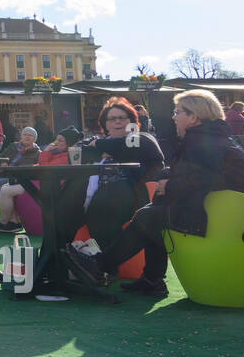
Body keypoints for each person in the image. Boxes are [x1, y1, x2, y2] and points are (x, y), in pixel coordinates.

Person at [68, 89, 244, 297]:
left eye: (177, 112)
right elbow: (202, 173)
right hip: (232, 209)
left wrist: (169, 185)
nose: (174, 117)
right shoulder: (210, 137)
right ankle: (152, 279)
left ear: (193, 117)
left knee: (150, 216)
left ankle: (101, 265)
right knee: (156, 208)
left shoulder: (203, 142)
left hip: (229, 217)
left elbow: (207, 178)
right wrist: (168, 179)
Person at [60, 97, 166, 248]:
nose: (117, 122)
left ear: (132, 122)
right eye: (112, 119)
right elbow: (77, 153)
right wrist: (104, 147)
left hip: (126, 197)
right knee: (61, 211)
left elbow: (129, 146)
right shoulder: (99, 141)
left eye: (122, 118)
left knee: (104, 204)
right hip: (92, 195)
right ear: (105, 124)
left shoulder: (143, 138)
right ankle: (59, 259)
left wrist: (99, 144)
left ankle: (103, 264)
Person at [0, 127, 40, 222]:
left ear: (34, 139)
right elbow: (0, 157)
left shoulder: (37, 153)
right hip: (2, 172)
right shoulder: (13, 146)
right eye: (25, 134)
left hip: (15, 176)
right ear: (21, 137)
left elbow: (34, 167)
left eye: (30, 135)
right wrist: (2, 162)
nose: (27, 137)